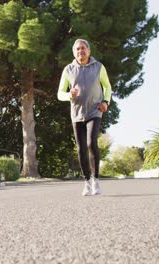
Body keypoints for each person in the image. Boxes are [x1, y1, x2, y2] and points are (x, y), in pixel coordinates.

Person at [57, 39, 112, 196]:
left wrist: (106, 102)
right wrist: (69, 95)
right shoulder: (68, 69)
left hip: (95, 111)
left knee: (90, 142)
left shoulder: (98, 67)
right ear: (74, 53)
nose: (80, 51)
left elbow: (107, 87)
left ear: (89, 51)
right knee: (81, 148)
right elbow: (59, 93)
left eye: (83, 48)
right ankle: (87, 181)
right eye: (77, 49)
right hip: (77, 113)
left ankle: (96, 180)